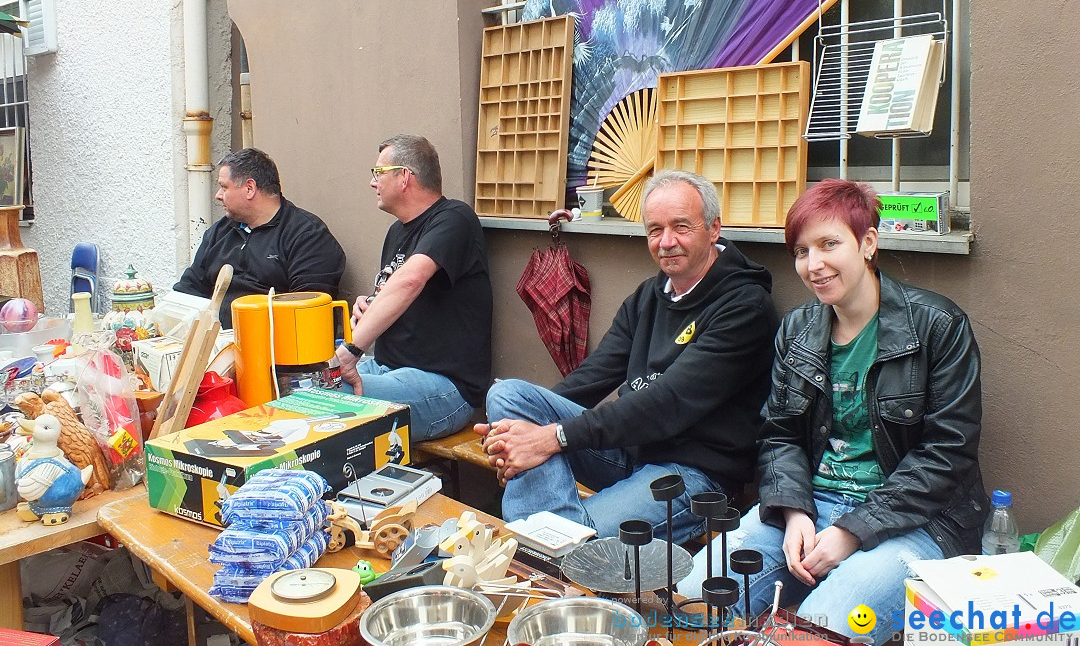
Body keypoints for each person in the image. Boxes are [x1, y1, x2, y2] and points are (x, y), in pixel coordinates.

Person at [678, 179, 987, 645]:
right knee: (690, 600)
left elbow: (948, 452)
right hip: (812, 505)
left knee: (815, 633)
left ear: (867, 243)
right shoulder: (797, 330)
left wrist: (853, 530)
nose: (814, 265)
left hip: (918, 521)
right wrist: (793, 511)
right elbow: (778, 434)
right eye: (802, 251)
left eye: (829, 244)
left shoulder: (938, 326)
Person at [477, 170, 779, 543]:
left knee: (579, 540)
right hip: (630, 452)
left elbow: (666, 402)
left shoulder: (745, 307)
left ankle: (546, 542)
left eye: (680, 227)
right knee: (508, 396)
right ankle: (552, 540)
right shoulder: (648, 297)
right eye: (655, 230)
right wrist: (518, 435)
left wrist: (551, 436)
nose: (666, 242)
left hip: (693, 475)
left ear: (713, 228)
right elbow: (593, 377)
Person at [334, 135, 493, 442]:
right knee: (305, 385)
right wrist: (368, 306)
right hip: (386, 368)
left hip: (443, 387)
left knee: (328, 397)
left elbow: (410, 280)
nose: (372, 183)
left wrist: (350, 350)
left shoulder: (455, 218)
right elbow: (396, 291)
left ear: (404, 176)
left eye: (378, 173)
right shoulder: (397, 232)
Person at [174, 148, 346, 328]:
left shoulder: (307, 236)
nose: (218, 195)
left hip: (271, 347)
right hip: (214, 344)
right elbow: (189, 290)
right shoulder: (220, 231)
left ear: (250, 188)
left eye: (224, 187)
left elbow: (305, 312)